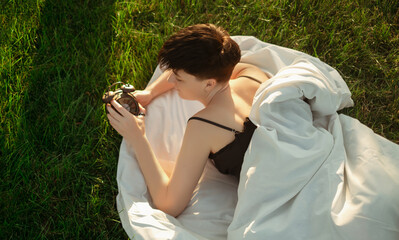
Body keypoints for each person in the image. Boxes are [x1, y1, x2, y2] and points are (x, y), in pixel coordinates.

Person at [106, 24, 270, 217]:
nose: (171, 82)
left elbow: (169, 205)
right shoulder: (251, 74)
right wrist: (150, 93)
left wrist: (137, 137)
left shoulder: (204, 126)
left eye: (179, 79)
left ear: (209, 84)